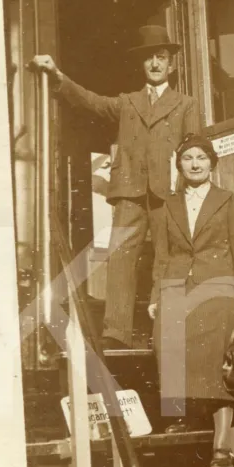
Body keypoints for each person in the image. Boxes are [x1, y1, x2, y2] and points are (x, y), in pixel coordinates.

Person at [29, 25, 200, 350]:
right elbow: (90, 102)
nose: (155, 64)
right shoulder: (128, 102)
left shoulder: (186, 104)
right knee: (121, 258)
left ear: (171, 65)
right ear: (141, 65)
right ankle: (116, 332)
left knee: (169, 258)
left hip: (168, 193)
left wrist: (189, 190)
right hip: (130, 191)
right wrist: (57, 76)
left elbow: (193, 149)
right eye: (149, 58)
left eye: (161, 58)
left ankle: (164, 330)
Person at [148, 133, 234, 467]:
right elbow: (162, 256)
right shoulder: (168, 204)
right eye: (188, 158)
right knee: (167, 346)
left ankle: (220, 448)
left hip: (217, 288)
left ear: (212, 163)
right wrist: (156, 296)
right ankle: (184, 418)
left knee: (214, 361)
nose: (194, 164)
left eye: (201, 158)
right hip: (177, 287)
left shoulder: (228, 200)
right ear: (179, 165)